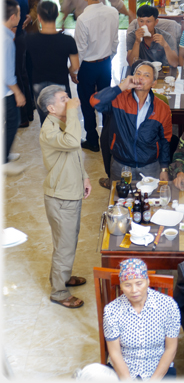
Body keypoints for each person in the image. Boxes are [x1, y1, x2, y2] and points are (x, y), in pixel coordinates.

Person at [37, 85, 92, 308]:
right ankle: (59, 291)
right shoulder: (48, 130)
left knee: (69, 239)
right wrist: (73, 110)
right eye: (63, 99)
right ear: (51, 108)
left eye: (68, 97)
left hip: (71, 190)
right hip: (60, 197)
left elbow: (74, 153)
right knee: (64, 245)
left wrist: (85, 177)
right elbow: (71, 142)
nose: (69, 101)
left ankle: (64, 276)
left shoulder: (60, 122)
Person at [90, 61, 171, 182]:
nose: (140, 78)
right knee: (120, 198)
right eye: (138, 73)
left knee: (149, 199)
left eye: (146, 75)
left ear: (154, 83)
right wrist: (121, 87)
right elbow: (95, 102)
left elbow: (165, 141)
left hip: (150, 166)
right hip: (121, 165)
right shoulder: (119, 98)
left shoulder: (162, 108)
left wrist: (164, 168)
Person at [103, 258, 180, 380]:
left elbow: (171, 349)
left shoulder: (168, 306)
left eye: (139, 283)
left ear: (147, 281)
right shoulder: (111, 311)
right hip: (123, 369)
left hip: (157, 368)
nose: (134, 290)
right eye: (127, 285)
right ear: (121, 286)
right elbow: (115, 353)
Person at [73, 0, 119, 153]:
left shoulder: (83, 19)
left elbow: (80, 49)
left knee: (86, 102)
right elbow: (115, 42)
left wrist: (74, 69)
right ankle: (109, 139)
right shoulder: (113, 13)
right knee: (105, 102)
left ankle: (92, 140)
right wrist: (108, 58)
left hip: (88, 66)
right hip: (105, 64)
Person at [26, 0, 79, 125]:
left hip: (38, 83)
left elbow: (26, 65)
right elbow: (75, 66)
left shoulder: (29, 39)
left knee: (46, 120)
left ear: (38, 17)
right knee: (63, 118)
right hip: (60, 83)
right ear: (57, 16)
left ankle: (48, 142)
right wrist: (70, 72)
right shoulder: (67, 40)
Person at [3, 0, 34, 128]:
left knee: (17, 76)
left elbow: (11, 21)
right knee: (22, 75)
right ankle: (28, 112)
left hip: (15, 39)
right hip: (21, 37)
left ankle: (22, 117)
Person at [3, 0, 26, 176]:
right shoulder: (6, 41)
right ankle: (4, 162)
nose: (21, 16)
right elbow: (8, 73)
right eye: (19, 14)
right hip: (5, 91)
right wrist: (18, 92)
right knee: (13, 121)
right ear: (13, 17)